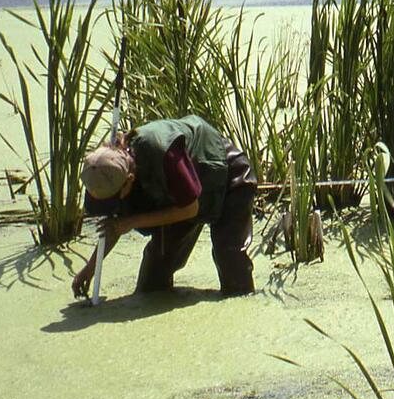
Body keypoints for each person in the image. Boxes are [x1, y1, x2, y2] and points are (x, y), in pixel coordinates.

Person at [72, 114, 258, 299]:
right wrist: (89, 270)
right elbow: (113, 227)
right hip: (179, 197)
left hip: (227, 177)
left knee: (229, 257)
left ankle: (244, 304)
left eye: (113, 199)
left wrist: (131, 221)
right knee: (154, 273)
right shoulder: (103, 169)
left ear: (129, 180)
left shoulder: (165, 154)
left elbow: (190, 208)